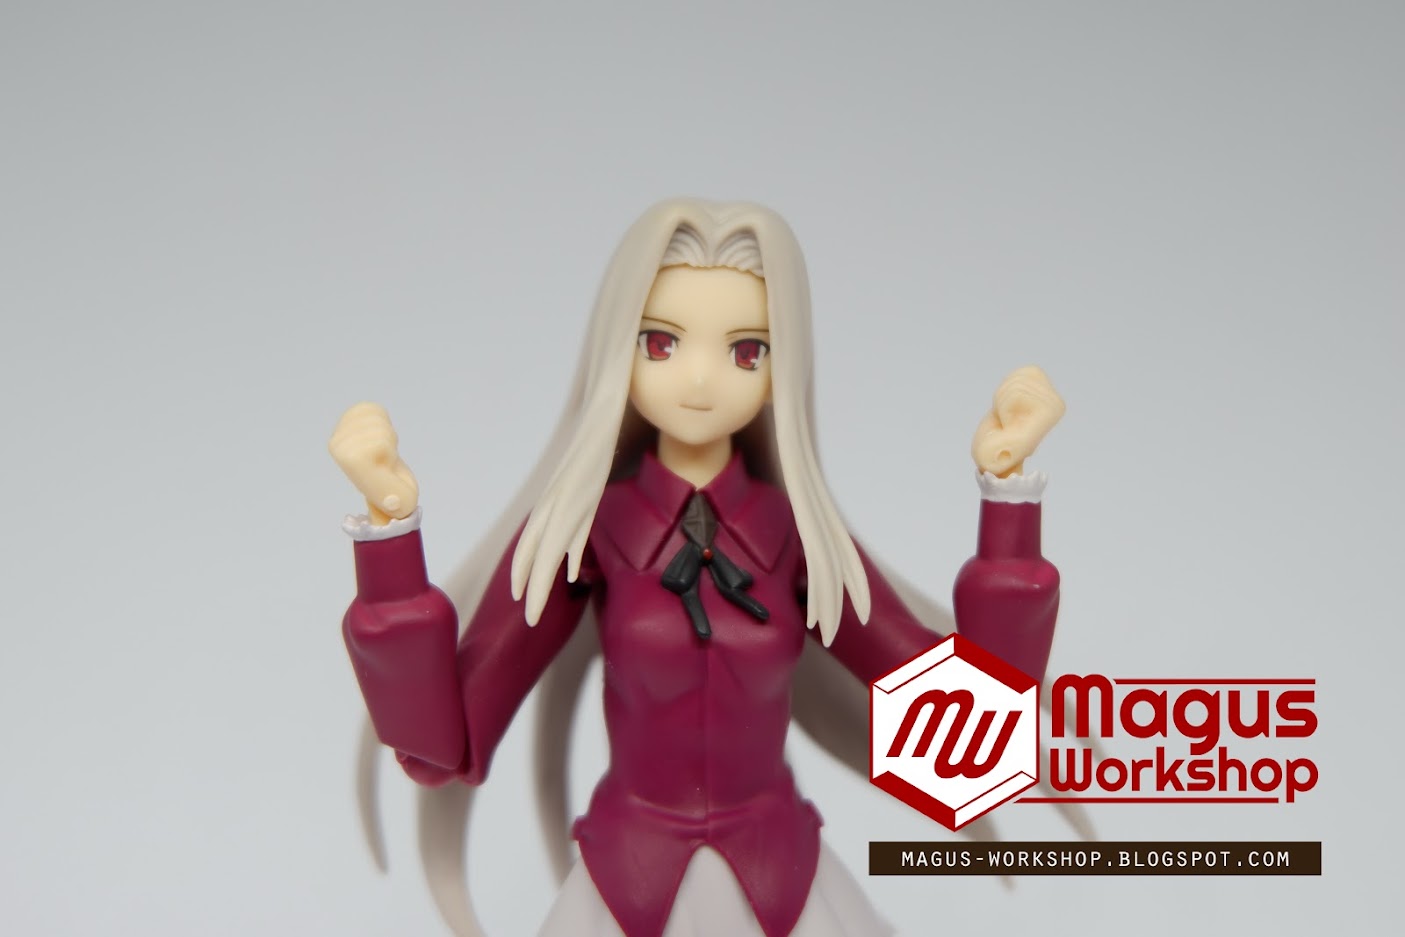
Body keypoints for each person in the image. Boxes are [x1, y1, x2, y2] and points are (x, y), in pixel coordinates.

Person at [330, 198, 1066, 937]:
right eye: (661, 342)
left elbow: (971, 716)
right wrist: (391, 534)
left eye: (745, 351)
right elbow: (444, 743)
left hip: (775, 873)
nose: (701, 381)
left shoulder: (795, 536)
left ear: (780, 368)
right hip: (632, 876)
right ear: (619, 350)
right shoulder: (587, 532)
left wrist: (1006, 494)